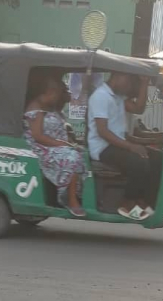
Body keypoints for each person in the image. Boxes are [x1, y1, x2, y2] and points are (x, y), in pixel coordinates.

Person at [87, 72, 154, 221]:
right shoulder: (101, 96)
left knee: (154, 156)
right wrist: (131, 146)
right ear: (118, 76)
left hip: (115, 144)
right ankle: (127, 203)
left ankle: (141, 199)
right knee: (137, 161)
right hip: (102, 147)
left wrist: (145, 83)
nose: (129, 87)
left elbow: (138, 109)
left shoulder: (118, 97)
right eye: (128, 81)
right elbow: (102, 131)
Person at [23, 75, 86, 217]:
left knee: (82, 154)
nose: (58, 97)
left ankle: (78, 193)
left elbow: (66, 99)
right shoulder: (36, 109)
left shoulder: (50, 106)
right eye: (56, 93)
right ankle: (70, 200)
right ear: (49, 92)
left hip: (56, 145)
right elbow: (38, 136)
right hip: (41, 148)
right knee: (72, 157)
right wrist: (61, 143)